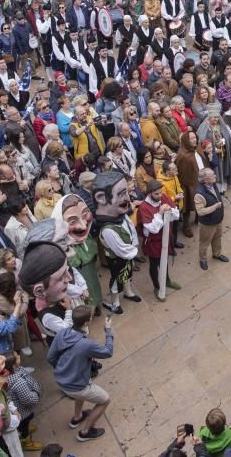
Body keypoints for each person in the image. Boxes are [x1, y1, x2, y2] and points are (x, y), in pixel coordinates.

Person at [45, 305, 113, 442]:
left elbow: (50, 358)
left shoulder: (61, 334)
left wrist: (64, 368)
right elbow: (108, 352)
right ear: (86, 323)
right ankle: (85, 432)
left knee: (79, 394)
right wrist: (108, 331)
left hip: (62, 381)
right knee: (105, 400)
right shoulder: (86, 344)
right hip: (76, 385)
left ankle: (77, 418)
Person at [92, 173, 142, 315]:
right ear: (101, 198)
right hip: (117, 259)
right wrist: (133, 251)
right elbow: (120, 249)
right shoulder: (108, 229)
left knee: (127, 275)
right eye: (121, 194)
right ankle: (115, 302)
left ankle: (128, 292)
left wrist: (134, 245)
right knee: (116, 280)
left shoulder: (121, 215)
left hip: (127, 255)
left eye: (126, 192)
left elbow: (131, 229)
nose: (127, 197)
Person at [137, 178, 181, 301]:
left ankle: (166, 280)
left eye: (160, 192)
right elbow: (153, 229)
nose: (160, 195)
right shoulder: (144, 207)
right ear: (149, 193)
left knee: (165, 260)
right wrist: (161, 213)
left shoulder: (164, 197)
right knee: (154, 264)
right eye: (156, 194)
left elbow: (176, 215)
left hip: (165, 238)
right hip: (153, 242)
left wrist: (170, 210)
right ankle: (157, 286)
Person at [194, 168, 229, 271]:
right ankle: (203, 259)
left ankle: (217, 254)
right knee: (204, 242)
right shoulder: (199, 194)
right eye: (212, 175)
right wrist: (214, 207)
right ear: (205, 180)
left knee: (217, 238)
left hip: (217, 221)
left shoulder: (212, 184)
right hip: (207, 224)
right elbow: (200, 212)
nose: (215, 176)